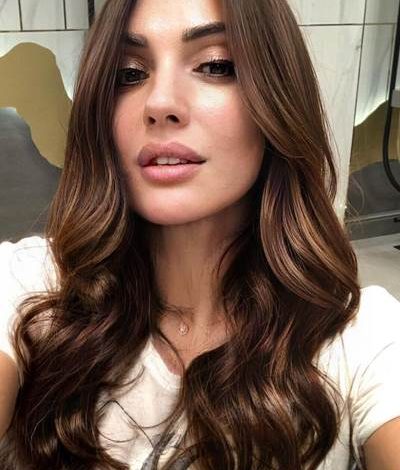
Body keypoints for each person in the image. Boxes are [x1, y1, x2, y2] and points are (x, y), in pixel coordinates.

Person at [1, 0, 400, 468]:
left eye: (215, 66)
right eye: (129, 74)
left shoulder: (362, 339)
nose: (159, 103)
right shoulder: (32, 288)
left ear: (277, 99)